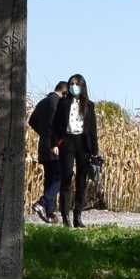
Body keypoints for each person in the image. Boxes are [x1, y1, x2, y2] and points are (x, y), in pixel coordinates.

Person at [35, 73, 100, 226]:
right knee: (66, 178)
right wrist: (55, 144)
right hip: (67, 142)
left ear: (82, 86)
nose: (73, 87)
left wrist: (94, 150)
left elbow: (92, 129)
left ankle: (78, 216)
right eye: (72, 84)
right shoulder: (63, 103)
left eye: (77, 84)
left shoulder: (89, 105)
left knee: (81, 181)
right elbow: (56, 127)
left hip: (83, 143)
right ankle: (66, 217)